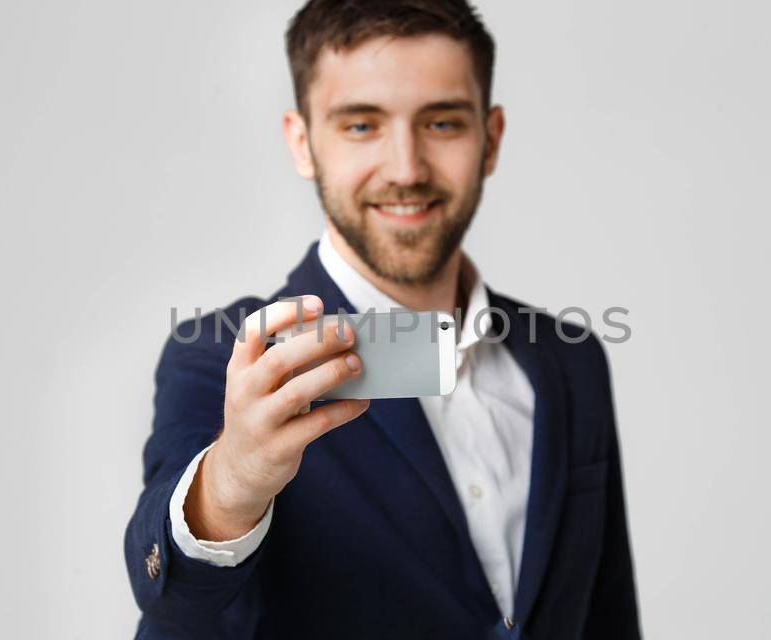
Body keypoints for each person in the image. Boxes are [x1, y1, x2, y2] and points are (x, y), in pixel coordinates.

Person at [125, 1, 639, 636]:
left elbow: (608, 615)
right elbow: (173, 603)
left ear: (492, 137)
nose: (406, 169)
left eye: (443, 123)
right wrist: (232, 481)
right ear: (302, 141)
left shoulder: (572, 360)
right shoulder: (221, 356)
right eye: (361, 126)